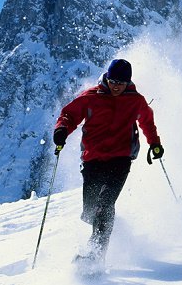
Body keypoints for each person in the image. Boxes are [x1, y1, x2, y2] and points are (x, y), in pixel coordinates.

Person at [53, 59, 164, 264]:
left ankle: (95, 255)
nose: (116, 86)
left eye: (121, 83)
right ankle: (111, 225)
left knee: (105, 204)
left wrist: (155, 143)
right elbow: (69, 115)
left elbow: (147, 122)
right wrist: (62, 130)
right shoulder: (91, 97)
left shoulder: (135, 100)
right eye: (113, 81)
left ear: (128, 82)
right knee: (89, 212)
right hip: (92, 160)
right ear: (107, 78)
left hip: (121, 160)